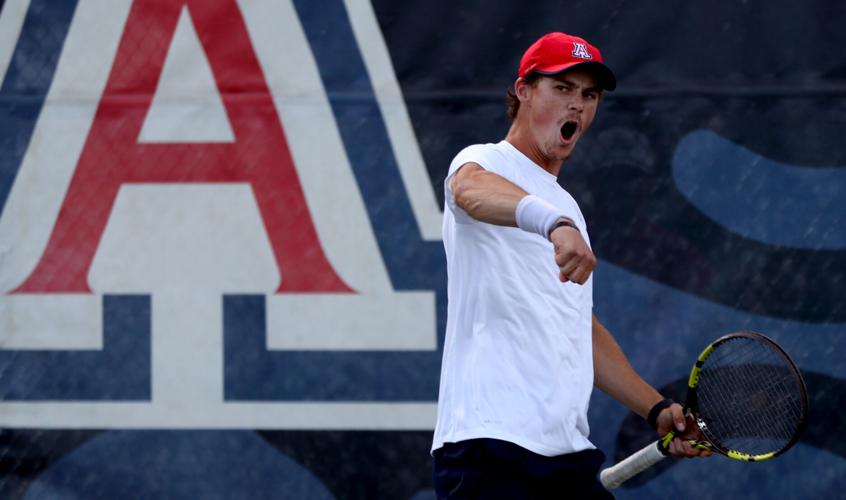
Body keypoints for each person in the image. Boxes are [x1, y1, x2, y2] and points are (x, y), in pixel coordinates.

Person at [431, 32, 710, 499]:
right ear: (523, 91)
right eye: (562, 88)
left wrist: (658, 409)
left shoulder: (568, 206)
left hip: (566, 456)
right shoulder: (483, 162)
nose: (576, 105)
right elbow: (470, 191)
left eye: (588, 95)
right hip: (488, 447)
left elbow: (577, 328)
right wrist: (552, 223)